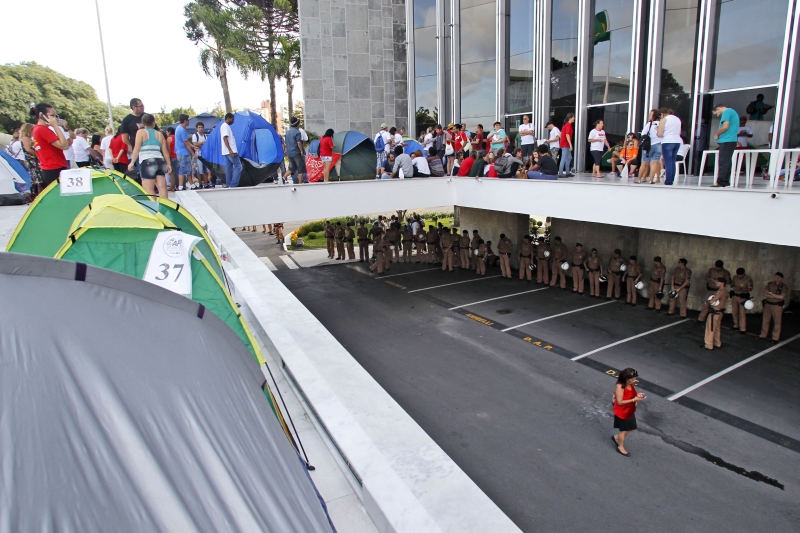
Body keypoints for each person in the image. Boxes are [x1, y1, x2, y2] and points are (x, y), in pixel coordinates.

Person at [128, 114, 170, 198]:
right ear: (153, 122)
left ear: (143, 123)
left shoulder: (141, 132)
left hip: (147, 161)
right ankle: (165, 208)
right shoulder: (159, 134)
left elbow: (137, 148)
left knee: (149, 189)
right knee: (162, 188)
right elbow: (165, 151)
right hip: (160, 161)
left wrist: (132, 162)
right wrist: (168, 164)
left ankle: (154, 209)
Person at [30, 103, 69, 188]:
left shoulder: (38, 129)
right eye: (52, 115)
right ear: (41, 115)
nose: (54, 118)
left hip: (51, 168)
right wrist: (55, 126)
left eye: (55, 115)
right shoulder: (41, 129)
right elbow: (64, 145)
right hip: (53, 168)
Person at [612, 368, 644, 457]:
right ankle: (620, 447)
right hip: (622, 412)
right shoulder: (619, 386)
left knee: (632, 428)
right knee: (623, 430)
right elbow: (620, 402)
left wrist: (637, 394)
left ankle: (617, 438)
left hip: (629, 410)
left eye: (635, 378)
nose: (634, 380)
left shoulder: (630, 383)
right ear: (626, 378)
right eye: (632, 379)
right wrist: (634, 399)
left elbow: (631, 392)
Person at [712, 104, 739, 188]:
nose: (718, 115)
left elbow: (725, 126)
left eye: (717, 113)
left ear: (719, 108)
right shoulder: (732, 112)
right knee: (726, 161)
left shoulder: (727, 112)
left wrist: (717, 134)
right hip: (730, 140)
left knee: (723, 161)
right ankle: (724, 181)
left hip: (727, 140)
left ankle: (722, 182)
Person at [656, 108, 682, 186]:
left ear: (663, 113)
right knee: (672, 162)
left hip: (667, 141)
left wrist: (657, 129)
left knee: (667, 162)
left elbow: (659, 134)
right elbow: (679, 132)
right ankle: (671, 180)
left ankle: (668, 181)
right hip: (677, 141)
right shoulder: (677, 119)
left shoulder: (664, 120)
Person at [761, 272, 789, 342]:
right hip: (768, 304)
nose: (777, 279)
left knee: (777, 322)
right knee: (765, 321)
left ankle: (775, 338)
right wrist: (775, 296)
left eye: (779, 277)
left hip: (777, 306)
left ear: (782, 278)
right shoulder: (770, 284)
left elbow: (782, 297)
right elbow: (765, 293)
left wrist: (771, 294)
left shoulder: (783, 286)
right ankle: (763, 335)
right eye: (776, 277)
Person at [703, 278, 728, 350]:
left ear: (722, 283)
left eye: (718, 281)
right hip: (720, 312)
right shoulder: (725, 291)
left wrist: (707, 302)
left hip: (715, 312)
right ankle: (717, 343)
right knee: (717, 328)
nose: (716, 283)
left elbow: (713, 300)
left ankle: (709, 344)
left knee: (710, 328)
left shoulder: (721, 292)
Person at [638, 109, 661, 184]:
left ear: (654, 116)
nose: (649, 116)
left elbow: (643, 134)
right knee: (655, 163)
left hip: (649, 145)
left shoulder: (650, 124)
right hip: (659, 145)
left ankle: (639, 179)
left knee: (644, 163)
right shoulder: (662, 124)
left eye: (650, 114)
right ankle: (651, 180)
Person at [220, 113, 243, 188]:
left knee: (229, 168)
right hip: (229, 151)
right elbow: (225, 138)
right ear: (228, 118)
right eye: (232, 119)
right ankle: (233, 184)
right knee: (238, 167)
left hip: (228, 151)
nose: (233, 121)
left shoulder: (226, 126)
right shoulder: (225, 126)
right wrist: (230, 150)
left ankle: (228, 184)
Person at [283, 116, 306, 184]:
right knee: (300, 168)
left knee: (292, 167)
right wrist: (301, 151)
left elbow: (286, 142)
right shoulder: (297, 132)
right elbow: (298, 142)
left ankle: (284, 177)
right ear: (297, 124)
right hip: (296, 152)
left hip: (290, 152)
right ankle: (300, 183)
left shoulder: (288, 132)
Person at [730, 267, 754, 333]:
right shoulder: (735, 277)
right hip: (735, 296)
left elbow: (750, 289)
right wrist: (734, 287)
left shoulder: (748, 279)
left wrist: (741, 289)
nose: (738, 276)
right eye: (738, 275)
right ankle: (736, 325)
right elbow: (731, 284)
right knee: (734, 312)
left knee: (742, 313)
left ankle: (743, 328)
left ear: (743, 274)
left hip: (743, 297)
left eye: (740, 275)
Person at [174, 114, 193, 191]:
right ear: (185, 120)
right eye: (188, 120)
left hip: (180, 152)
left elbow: (187, 142)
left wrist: (192, 146)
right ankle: (180, 186)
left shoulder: (178, 128)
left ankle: (192, 184)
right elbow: (186, 143)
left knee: (188, 169)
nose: (189, 122)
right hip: (183, 152)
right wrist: (192, 152)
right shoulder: (182, 130)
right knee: (182, 170)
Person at [192, 122, 212, 188]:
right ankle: (200, 184)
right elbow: (195, 144)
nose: (200, 129)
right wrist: (202, 143)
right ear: (197, 128)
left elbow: (207, 145)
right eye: (199, 127)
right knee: (199, 170)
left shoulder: (205, 136)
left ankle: (206, 184)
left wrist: (200, 144)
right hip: (198, 155)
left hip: (205, 155)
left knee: (205, 170)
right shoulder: (195, 135)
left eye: (201, 127)